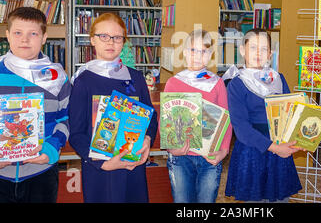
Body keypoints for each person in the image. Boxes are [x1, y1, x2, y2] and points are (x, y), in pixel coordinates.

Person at [69, 12, 158, 203]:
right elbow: (76, 133)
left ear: (123, 41)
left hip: (132, 165)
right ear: (92, 40)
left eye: (117, 38)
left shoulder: (136, 77)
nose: (110, 42)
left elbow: (151, 116)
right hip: (100, 170)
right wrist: (102, 163)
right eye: (104, 36)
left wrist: (148, 138)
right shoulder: (83, 81)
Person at [224, 28, 304, 202]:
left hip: (279, 151)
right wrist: (276, 148)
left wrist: (300, 139)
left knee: (280, 199)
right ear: (242, 50)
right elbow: (242, 129)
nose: (258, 53)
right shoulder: (236, 83)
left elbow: (291, 115)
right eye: (253, 48)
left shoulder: (278, 79)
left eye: (263, 49)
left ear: (270, 53)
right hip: (252, 151)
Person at [0, 7, 71, 203]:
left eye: (33, 33)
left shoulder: (58, 77)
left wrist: (50, 149)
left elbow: (66, 119)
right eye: (18, 33)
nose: (25, 39)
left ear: (44, 37)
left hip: (41, 172)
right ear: (7, 35)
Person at [163, 29, 231, 203]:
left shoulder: (216, 83)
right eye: (193, 50)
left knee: (206, 200)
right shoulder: (173, 82)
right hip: (180, 157)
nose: (198, 55)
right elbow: (166, 119)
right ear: (185, 53)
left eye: (204, 51)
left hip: (209, 156)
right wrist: (172, 148)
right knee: (182, 200)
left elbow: (226, 119)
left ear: (210, 55)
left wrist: (223, 151)